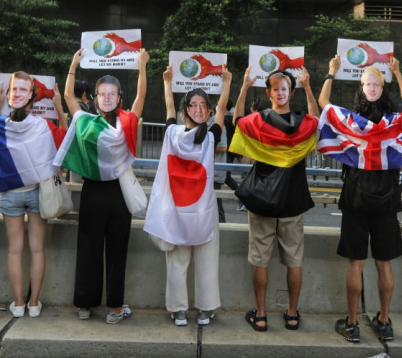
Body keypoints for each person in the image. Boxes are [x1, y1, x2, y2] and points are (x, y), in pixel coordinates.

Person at [318, 56, 402, 343]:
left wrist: (331, 72)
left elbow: (324, 101)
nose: (371, 87)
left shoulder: (351, 121)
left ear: (364, 92)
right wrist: (399, 74)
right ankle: (384, 321)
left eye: (373, 83)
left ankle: (351, 324)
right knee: (384, 264)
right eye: (369, 83)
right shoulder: (396, 122)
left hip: (355, 197)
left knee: (356, 263)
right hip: (387, 199)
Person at [55, 47, 148, 324]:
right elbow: (69, 96)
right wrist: (73, 63)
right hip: (110, 193)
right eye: (102, 93)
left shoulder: (97, 121)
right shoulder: (92, 120)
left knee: (91, 248)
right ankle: (113, 309)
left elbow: (141, 96)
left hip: (99, 194)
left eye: (112, 94)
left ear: (120, 98)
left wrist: (142, 65)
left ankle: (88, 305)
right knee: (107, 251)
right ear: (95, 99)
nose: (107, 98)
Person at [229, 66, 319, 332]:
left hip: (262, 200)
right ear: (272, 92)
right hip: (293, 201)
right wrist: (309, 86)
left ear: (286, 92)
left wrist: (244, 86)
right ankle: (291, 314)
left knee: (260, 258)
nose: (280, 92)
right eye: (277, 89)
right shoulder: (303, 123)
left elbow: (237, 121)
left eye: (283, 88)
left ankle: (260, 314)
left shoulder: (259, 120)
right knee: (294, 260)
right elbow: (318, 120)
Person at [144, 66, 232, 327]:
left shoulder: (191, 136)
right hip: (202, 210)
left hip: (180, 210)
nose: (198, 109)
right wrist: (167, 81)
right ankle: (189, 309)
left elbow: (223, 108)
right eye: (193, 105)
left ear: (208, 110)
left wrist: (228, 82)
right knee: (190, 260)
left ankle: (188, 308)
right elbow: (169, 106)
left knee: (187, 260)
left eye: (203, 105)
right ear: (186, 111)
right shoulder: (183, 134)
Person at [0, 73, 68, 318]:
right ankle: (28, 303)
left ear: (31, 95)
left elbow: (63, 140)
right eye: (15, 89)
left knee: (25, 250)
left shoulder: (0, 125)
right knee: (29, 250)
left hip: (27, 195)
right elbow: (64, 141)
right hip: (28, 194)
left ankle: (25, 303)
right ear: (10, 93)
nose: (18, 93)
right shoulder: (36, 125)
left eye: (23, 89)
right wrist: (59, 108)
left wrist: (59, 106)